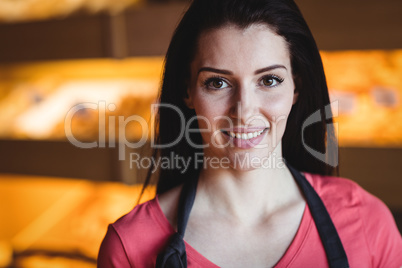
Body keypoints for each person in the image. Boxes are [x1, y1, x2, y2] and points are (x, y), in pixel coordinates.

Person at [98, 0, 402, 267]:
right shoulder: (129, 249)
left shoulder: (367, 220)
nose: (244, 111)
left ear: (295, 87)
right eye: (217, 83)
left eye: (269, 80)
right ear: (187, 92)